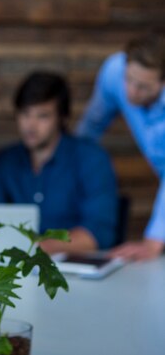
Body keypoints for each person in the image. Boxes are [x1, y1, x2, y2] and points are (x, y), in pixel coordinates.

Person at [0, 71, 118, 254]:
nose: (31, 125)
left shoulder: (92, 159)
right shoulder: (6, 161)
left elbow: (99, 233)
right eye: (25, 114)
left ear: (62, 118)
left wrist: (41, 248)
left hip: (75, 269)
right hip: (18, 270)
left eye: (42, 116)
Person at [77, 32, 165, 260]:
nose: (131, 92)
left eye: (143, 87)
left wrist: (154, 241)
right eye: (129, 79)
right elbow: (91, 126)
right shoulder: (114, 71)